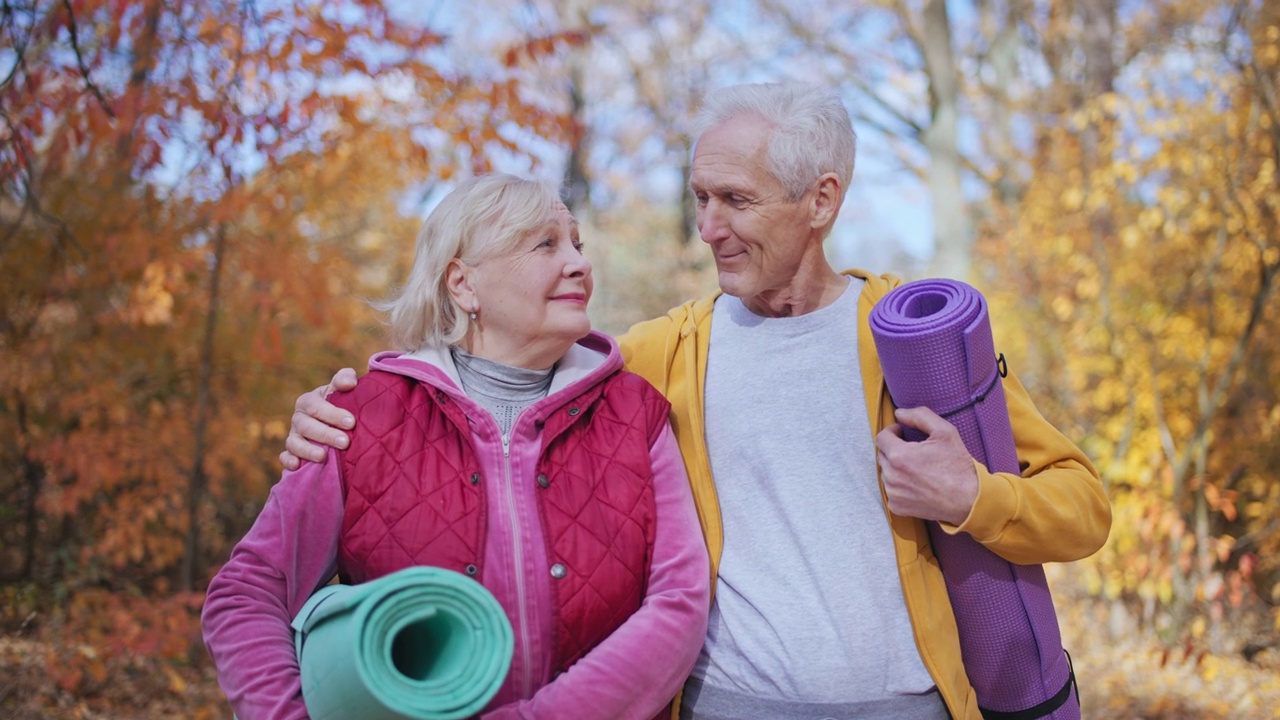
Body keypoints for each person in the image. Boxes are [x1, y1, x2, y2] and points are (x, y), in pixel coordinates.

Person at [280, 83, 1112, 719]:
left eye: (737, 201)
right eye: (700, 199)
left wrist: (973, 496)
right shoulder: (654, 356)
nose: (707, 229)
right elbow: (488, 382)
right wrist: (335, 412)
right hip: (722, 704)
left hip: (913, 705)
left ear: (820, 202)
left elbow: (1082, 505)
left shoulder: (907, 341)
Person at [203, 173, 710, 720]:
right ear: (463, 284)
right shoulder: (360, 416)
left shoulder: (636, 411)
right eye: (545, 244)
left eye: (578, 244)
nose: (580, 264)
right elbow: (247, 593)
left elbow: (678, 603)